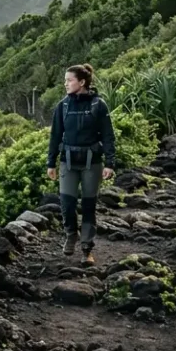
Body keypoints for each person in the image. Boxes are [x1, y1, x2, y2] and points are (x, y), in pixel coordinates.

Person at [46, 63, 116, 266]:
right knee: (66, 203)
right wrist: (51, 162)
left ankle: (87, 249)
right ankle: (71, 234)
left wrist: (109, 163)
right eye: (65, 80)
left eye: (69, 80)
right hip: (67, 161)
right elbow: (55, 136)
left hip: (91, 162)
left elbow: (108, 136)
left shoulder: (98, 105)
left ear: (82, 82)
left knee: (88, 206)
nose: (65, 84)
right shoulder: (63, 106)